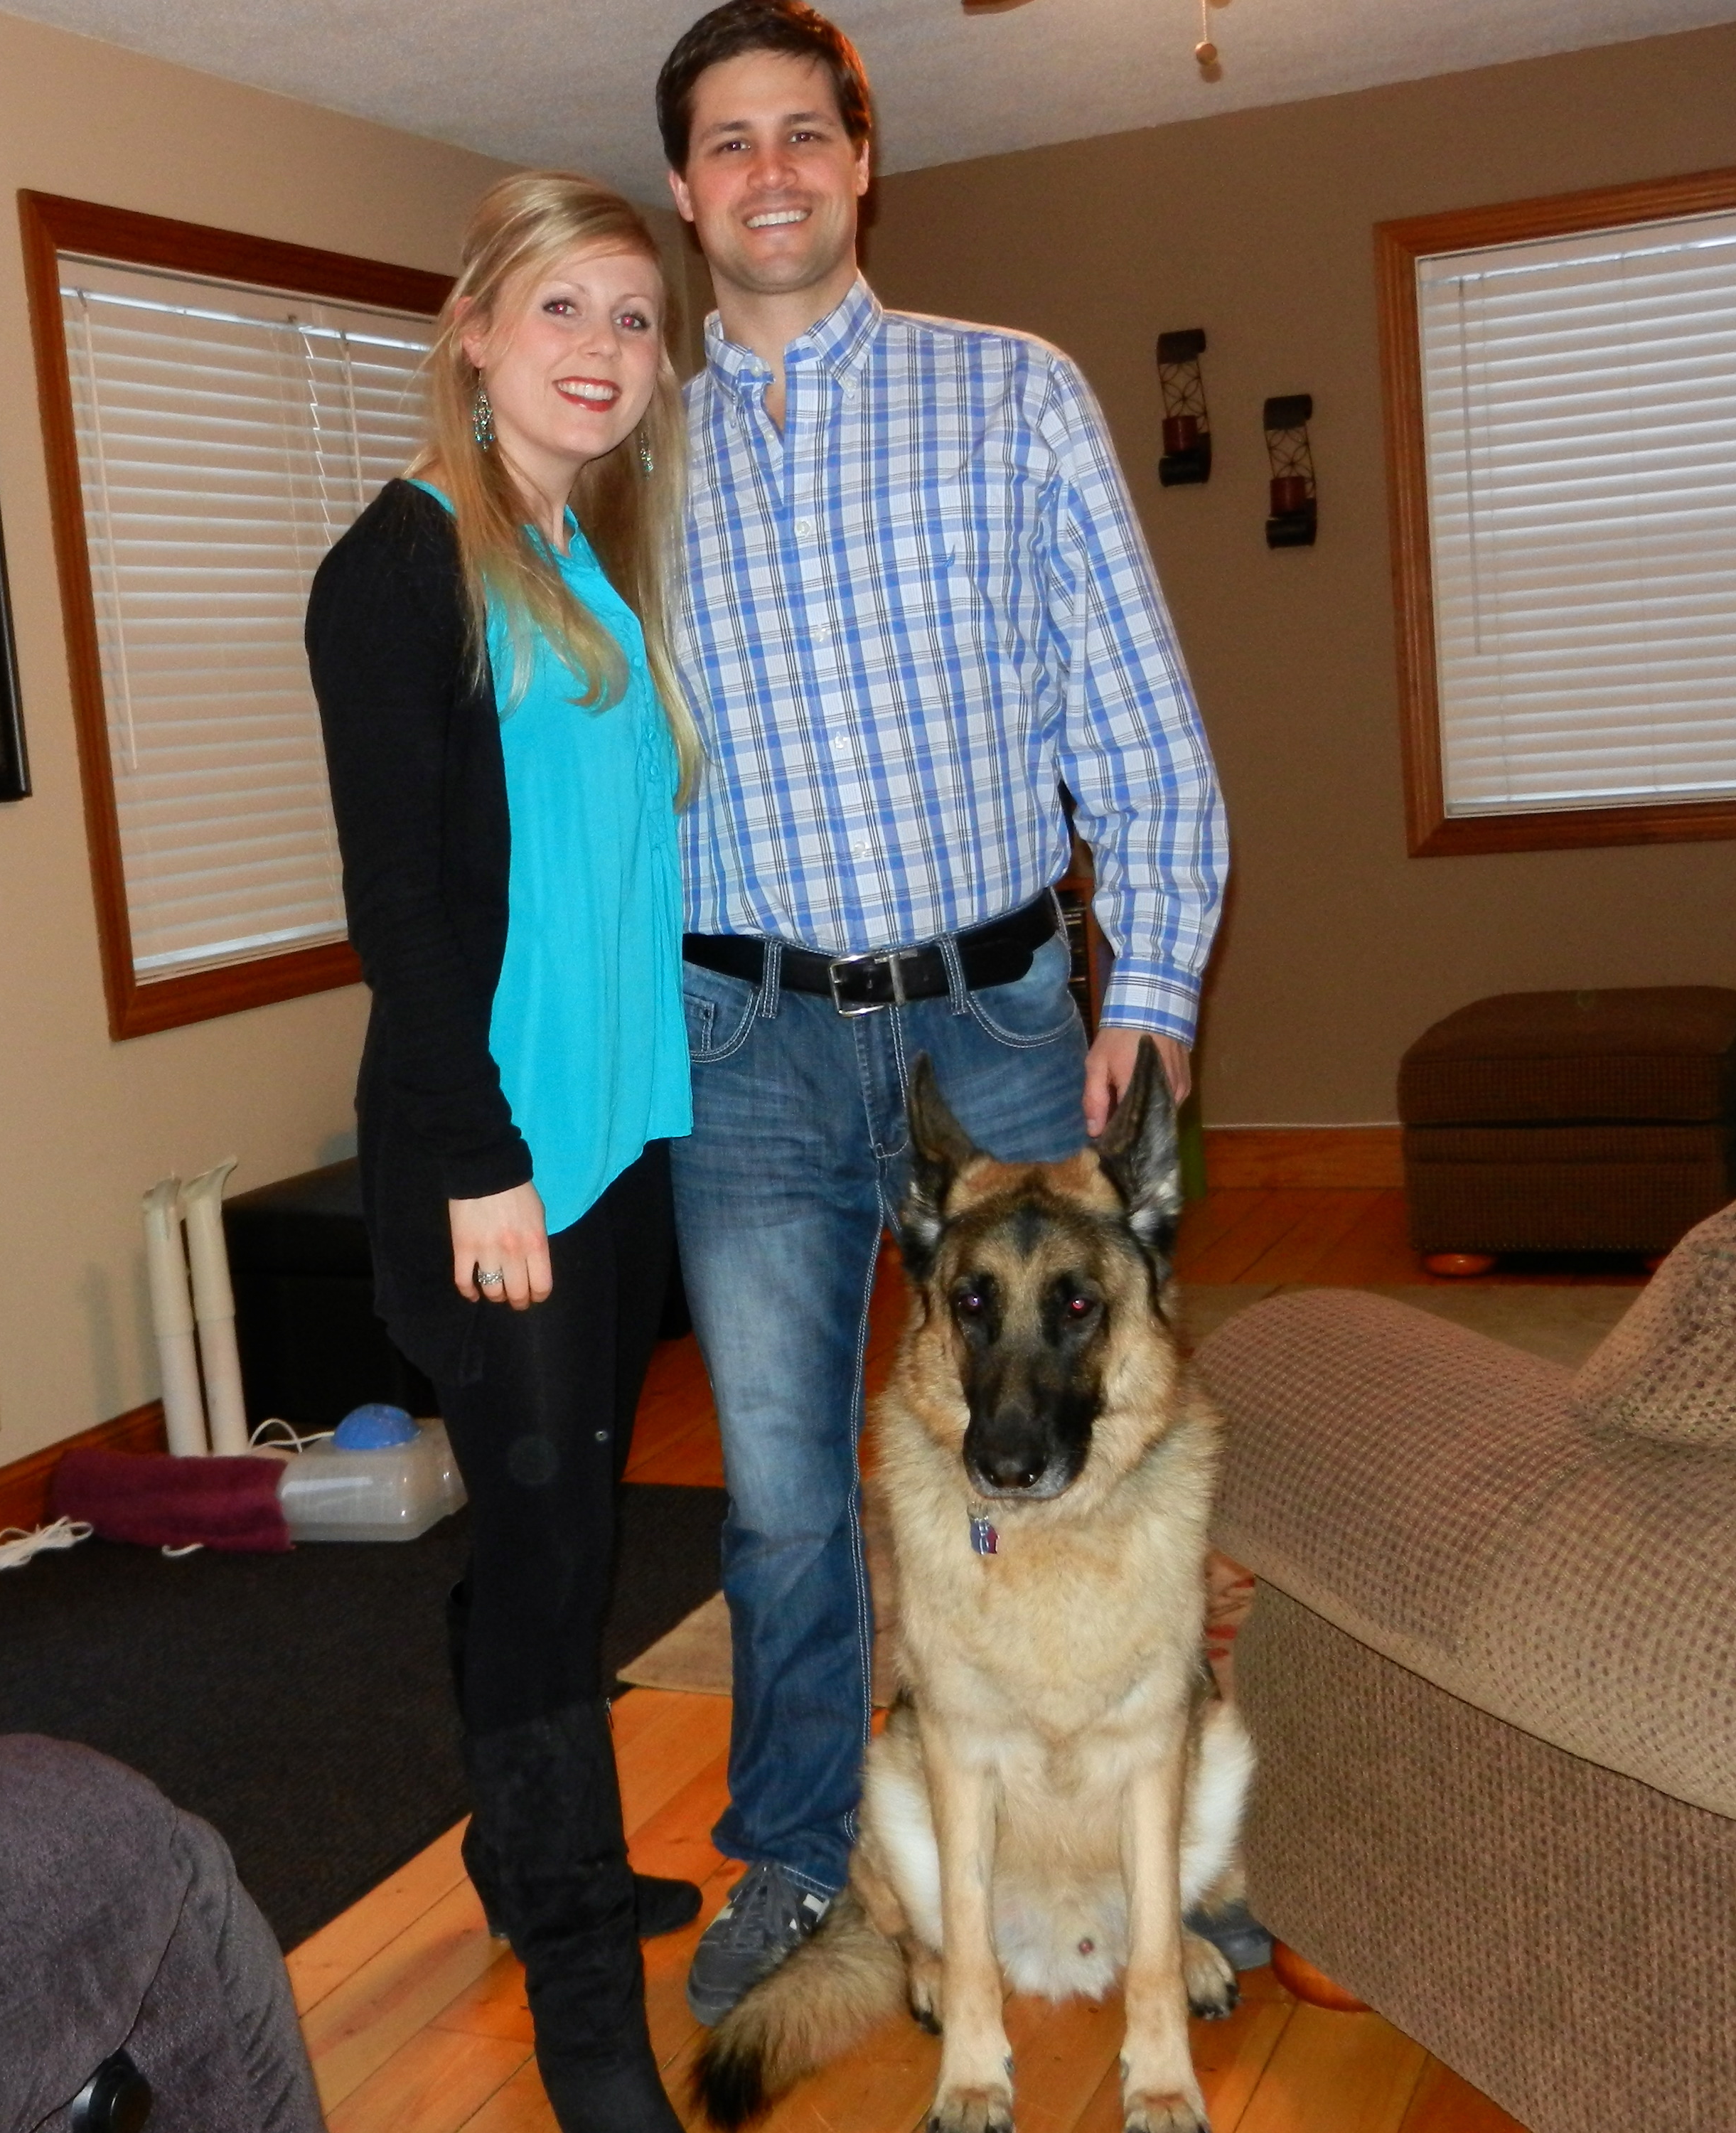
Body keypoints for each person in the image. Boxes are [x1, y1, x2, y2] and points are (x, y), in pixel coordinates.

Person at [652, 1, 1233, 2025]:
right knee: (784, 1501)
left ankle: (1146, 1838)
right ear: (684, 189)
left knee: (1084, 1447)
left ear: (863, 158)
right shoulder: (632, 450)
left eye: (804, 132)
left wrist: (1151, 991)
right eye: (730, 142)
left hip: (995, 1025)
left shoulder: (1016, 396)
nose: (773, 172)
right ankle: (803, 1856)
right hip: (743, 1041)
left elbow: (1142, 733)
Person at [305, 172, 705, 2133]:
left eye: (634, 317)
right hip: (498, 1157)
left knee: (565, 1529)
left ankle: (517, 1849)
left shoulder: (585, 557)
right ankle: (581, 1996)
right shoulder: (399, 567)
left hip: (615, 1139)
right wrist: (480, 1159)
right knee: (555, 1570)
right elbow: (401, 905)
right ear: (474, 331)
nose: (601, 350)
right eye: (562, 307)